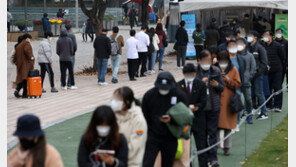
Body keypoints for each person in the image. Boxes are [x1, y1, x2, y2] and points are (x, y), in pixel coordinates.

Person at [142, 72, 188, 167]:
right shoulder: (149, 95)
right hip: (153, 136)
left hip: (171, 136)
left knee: (168, 163)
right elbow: (144, 116)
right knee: (147, 163)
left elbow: (185, 116)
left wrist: (172, 120)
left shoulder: (179, 95)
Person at [196, 50, 224, 167]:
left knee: (213, 133)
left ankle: (213, 158)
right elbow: (191, 90)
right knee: (202, 135)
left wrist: (217, 85)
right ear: (199, 61)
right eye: (205, 61)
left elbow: (222, 88)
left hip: (213, 106)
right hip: (200, 109)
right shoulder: (195, 73)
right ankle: (205, 158)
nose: (207, 63)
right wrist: (200, 83)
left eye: (209, 60)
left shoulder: (216, 71)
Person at [177, 63, 207, 167]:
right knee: (185, 148)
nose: (190, 76)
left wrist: (195, 107)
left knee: (201, 146)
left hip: (198, 119)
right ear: (183, 73)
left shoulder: (201, 85)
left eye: (192, 74)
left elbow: (204, 101)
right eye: (188, 74)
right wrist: (186, 108)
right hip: (184, 122)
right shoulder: (178, 86)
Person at [111, 87, 148, 167]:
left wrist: (117, 158)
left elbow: (135, 145)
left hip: (131, 163)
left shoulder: (138, 120)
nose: (113, 102)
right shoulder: (113, 116)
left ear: (126, 102)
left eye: (116, 100)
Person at [216, 51, 241, 156]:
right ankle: (215, 146)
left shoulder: (233, 69)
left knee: (227, 127)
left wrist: (228, 79)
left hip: (228, 101)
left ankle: (227, 147)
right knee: (216, 126)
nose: (222, 62)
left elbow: (238, 84)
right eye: (220, 60)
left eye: (224, 60)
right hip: (216, 99)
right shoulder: (214, 69)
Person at [246, 31, 269, 120]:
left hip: (258, 75)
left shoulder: (260, 48)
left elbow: (264, 63)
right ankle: (251, 109)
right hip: (249, 75)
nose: (249, 38)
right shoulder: (247, 47)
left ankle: (264, 112)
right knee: (250, 93)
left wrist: (258, 72)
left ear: (255, 37)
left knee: (259, 93)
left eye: (250, 36)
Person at [261, 30, 285, 112]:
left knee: (277, 88)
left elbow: (283, 57)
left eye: (266, 35)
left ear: (271, 36)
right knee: (267, 88)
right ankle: (268, 105)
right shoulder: (263, 46)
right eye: (264, 35)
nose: (265, 37)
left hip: (277, 70)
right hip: (266, 71)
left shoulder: (278, 45)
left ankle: (277, 105)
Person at [236, 38, 256, 124]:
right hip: (236, 82)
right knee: (237, 100)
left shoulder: (250, 55)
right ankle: (237, 118)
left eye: (241, 44)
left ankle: (249, 115)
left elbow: (253, 68)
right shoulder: (234, 55)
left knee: (248, 99)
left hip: (246, 81)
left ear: (245, 45)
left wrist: (249, 76)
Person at [12, 34, 35, 98]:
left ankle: (21, 92)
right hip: (26, 64)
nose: (29, 40)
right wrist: (32, 57)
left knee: (23, 79)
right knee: (25, 79)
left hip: (20, 65)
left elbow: (15, 57)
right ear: (27, 38)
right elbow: (28, 52)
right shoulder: (26, 44)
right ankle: (24, 93)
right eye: (29, 38)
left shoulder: (18, 46)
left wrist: (16, 62)